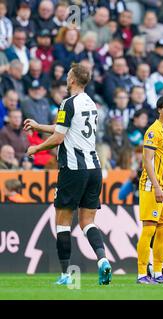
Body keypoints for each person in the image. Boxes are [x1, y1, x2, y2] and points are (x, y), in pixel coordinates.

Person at [24, 63, 112, 285]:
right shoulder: (91, 103)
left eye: (67, 74)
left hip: (73, 168)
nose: (65, 77)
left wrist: (36, 148)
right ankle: (102, 260)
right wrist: (38, 126)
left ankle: (65, 275)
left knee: (63, 222)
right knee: (87, 222)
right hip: (94, 168)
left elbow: (59, 138)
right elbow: (64, 128)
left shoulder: (67, 103)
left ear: (72, 79)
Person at [136, 95, 163, 285]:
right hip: (151, 186)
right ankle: (141, 274)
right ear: (159, 109)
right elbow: (147, 161)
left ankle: (158, 272)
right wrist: (156, 186)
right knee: (149, 230)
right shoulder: (153, 131)